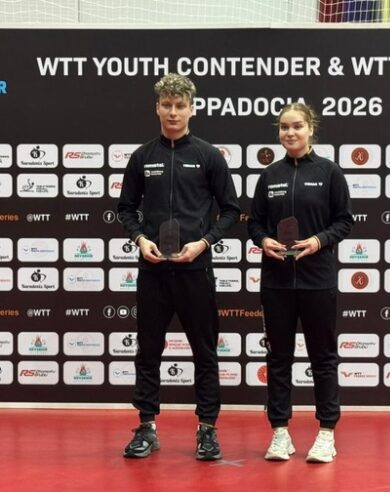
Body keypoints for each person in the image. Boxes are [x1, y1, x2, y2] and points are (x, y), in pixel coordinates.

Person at [117, 73, 240, 460]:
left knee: (204, 352)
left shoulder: (208, 156)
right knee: (148, 351)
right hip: (153, 272)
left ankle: (207, 430)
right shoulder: (142, 157)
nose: (173, 112)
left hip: (195, 271)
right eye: (167, 105)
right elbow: (125, 209)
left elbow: (231, 210)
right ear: (157, 108)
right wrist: (141, 240)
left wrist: (203, 243)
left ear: (192, 109)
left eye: (180, 105)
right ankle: (146, 427)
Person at [248, 103, 353, 463]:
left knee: (322, 357)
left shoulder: (329, 172)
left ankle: (326, 433)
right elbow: (254, 223)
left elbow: (344, 221)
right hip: (276, 282)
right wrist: (263, 240)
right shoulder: (269, 175)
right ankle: (280, 433)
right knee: (278, 358)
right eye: (283, 127)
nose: (289, 133)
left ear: (310, 129)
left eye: (296, 126)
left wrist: (318, 241)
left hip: (317, 281)